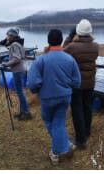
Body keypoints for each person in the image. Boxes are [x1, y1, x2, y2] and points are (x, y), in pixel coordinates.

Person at [28, 29, 81, 165]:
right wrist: (67, 87)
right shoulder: (70, 59)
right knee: (58, 122)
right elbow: (77, 82)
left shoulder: (41, 60)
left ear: (48, 41)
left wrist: (36, 90)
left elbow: (33, 82)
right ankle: (67, 144)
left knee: (49, 120)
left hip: (47, 97)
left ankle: (56, 152)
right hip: (65, 97)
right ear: (61, 40)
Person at [63, 19, 100, 149]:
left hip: (76, 83)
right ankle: (87, 131)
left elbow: (63, 50)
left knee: (77, 109)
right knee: (87, 107)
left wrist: (69, 36)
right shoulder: (95, 46)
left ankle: (80, 139)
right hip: (90, 82)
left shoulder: (72, 47)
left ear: (78, 31)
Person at [2, 27, 31, 120]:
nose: (6, 37)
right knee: (20, 92)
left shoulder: (14, 45)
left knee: (20, 93)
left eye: (7, 35)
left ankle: (26, 113)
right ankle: (22, 112)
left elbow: (17, 58)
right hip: (21, 70)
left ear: (11, 36)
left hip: (18, 71)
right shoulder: (18, 43)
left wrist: (6, 64)